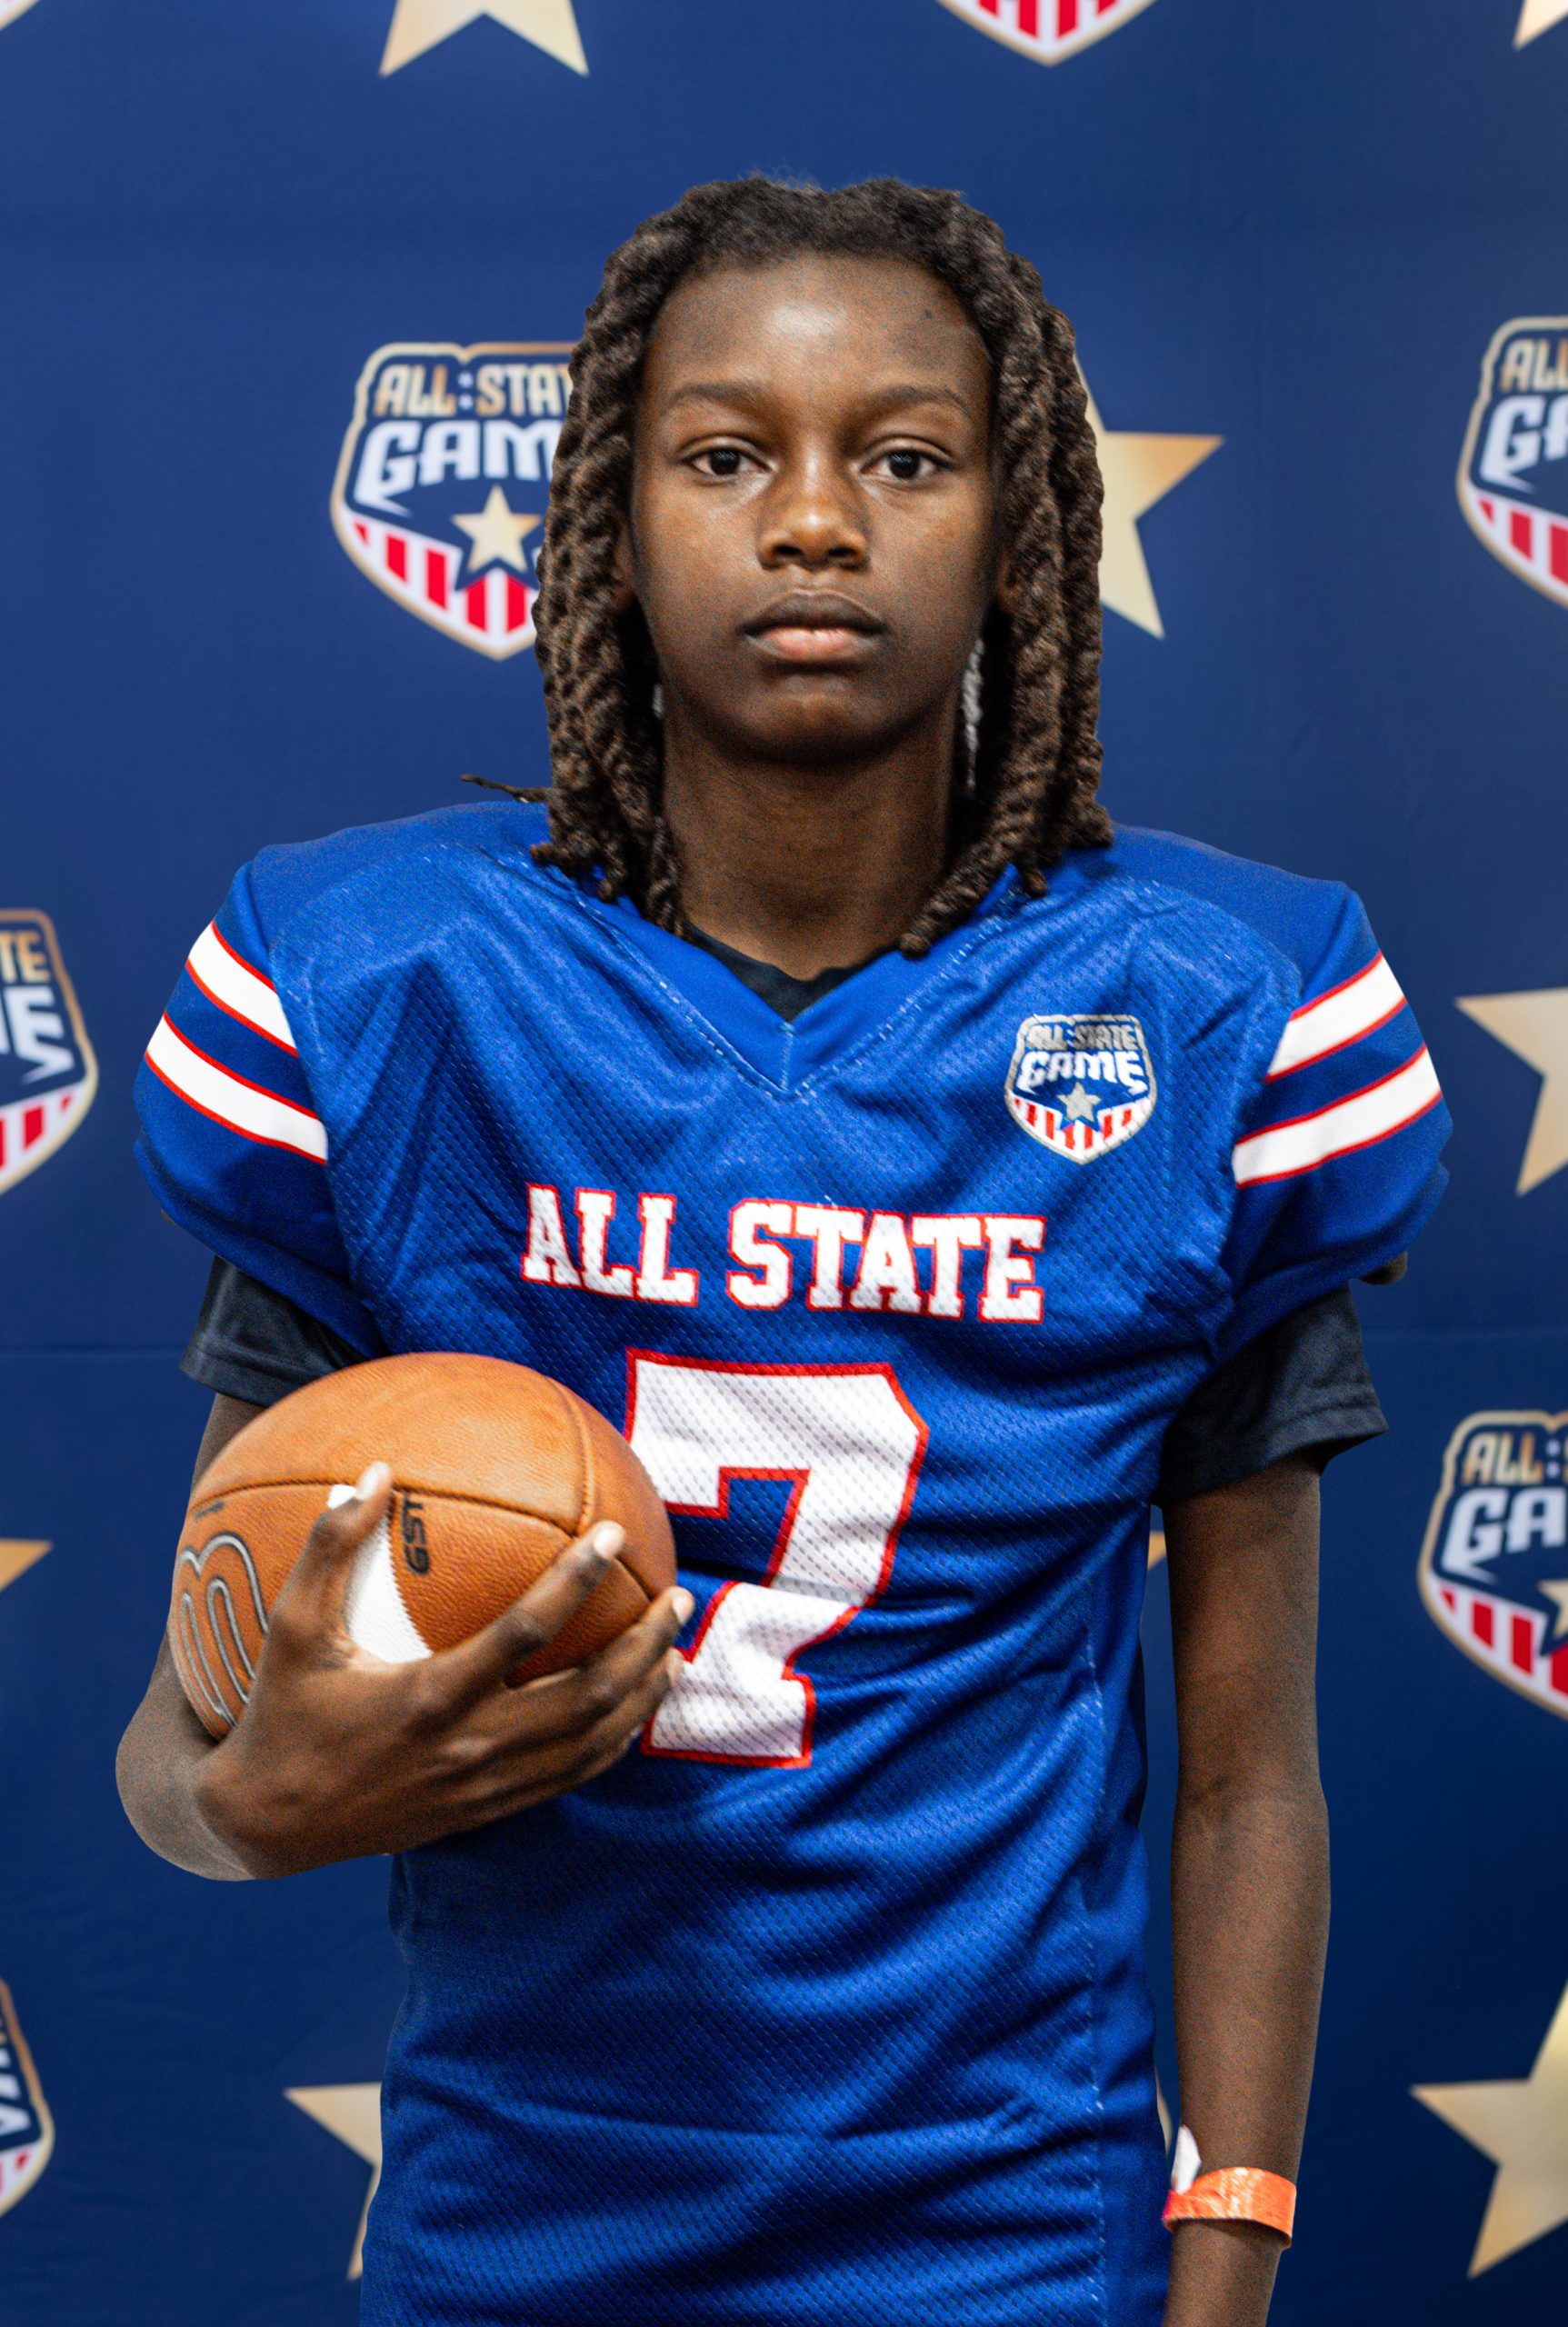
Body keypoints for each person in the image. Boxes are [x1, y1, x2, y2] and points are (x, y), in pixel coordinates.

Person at [116, 177, 1448, 2327]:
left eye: (902, 459)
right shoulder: (397, 997)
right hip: (516, 2221)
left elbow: (1243, 1772)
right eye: (724, 454)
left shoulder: (1205, 1007)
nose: (812, 521)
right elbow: (175, 1755)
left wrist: (1225, 2258)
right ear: (607, 527)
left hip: (1006, 2229)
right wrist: (255, 1800)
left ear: (1016, 537)